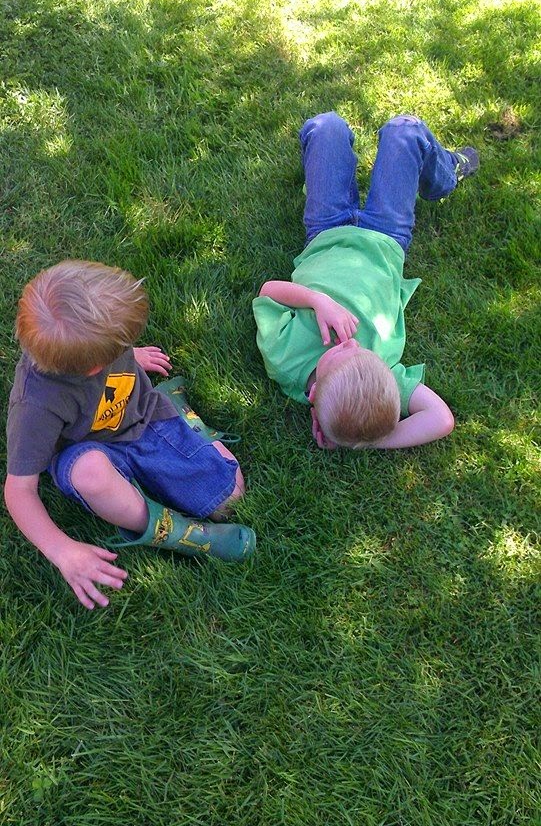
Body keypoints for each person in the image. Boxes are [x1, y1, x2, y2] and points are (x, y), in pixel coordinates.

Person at [4, 260, 255, 611]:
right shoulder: (35, 405)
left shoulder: (92, 343)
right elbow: (18, 491)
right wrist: (62, 550)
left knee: (231, 499)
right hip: (90, 452)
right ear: (95, 364)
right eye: (122, 346)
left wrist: (132, 356)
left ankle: (181, 414)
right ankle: (177, 532)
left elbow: (110, 348)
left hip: (144, 416)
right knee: (90, 475)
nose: (126, 347)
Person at [253, 112, 479, 450]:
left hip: (326, 231)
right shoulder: (378, 380)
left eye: (339, 352)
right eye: (362, 351)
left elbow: (268, 291)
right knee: (406, 131)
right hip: (386, 236)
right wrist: (368, 442)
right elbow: (441, 419)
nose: (351, 343)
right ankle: (446, 173)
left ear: (312, 394)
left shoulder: (285, 359)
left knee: (324, 127)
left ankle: (325, 177)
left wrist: (318, 301)